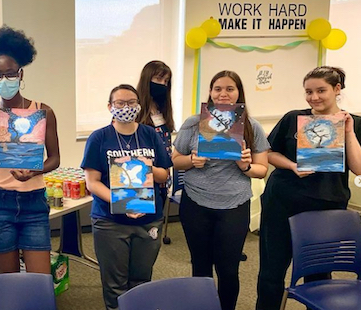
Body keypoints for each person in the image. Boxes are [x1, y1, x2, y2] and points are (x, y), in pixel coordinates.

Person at [256, 66, 361, 310]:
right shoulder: (294, 117)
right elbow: (269, 153)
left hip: (327, 206)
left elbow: (358, 168)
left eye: (320, 91)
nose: (314, 97)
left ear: (337, 90)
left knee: (319, 274)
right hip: (282, 202)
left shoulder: (353, 123)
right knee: (272, 271)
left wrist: (348, 132)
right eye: (308, 92)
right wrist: (292, 165)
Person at [172, 70, 269, 310]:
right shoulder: (194, 123)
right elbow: (175, 159)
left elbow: (262, 169)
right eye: (218, 89)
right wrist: (192, 160)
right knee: (200, 267)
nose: (223, 94)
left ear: (239, 93)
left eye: (229, 89)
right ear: (211, 93)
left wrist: (245, 165)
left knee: (228, 269)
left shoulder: (251, 126)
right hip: (196, 203)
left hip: (233, 205)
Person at [0, 26, 60, 274]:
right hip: (0, 203)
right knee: (9, 279)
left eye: (10, 74)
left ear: (20, 74)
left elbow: (54, 158)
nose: (4, 80)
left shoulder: (42, 111)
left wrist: (34, 171)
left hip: (34, 202)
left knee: (39, 279)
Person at [81, 84, 171, 310]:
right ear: (110, 107)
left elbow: (164, 174)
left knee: (141, 280)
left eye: (131, 102)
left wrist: (147, 167)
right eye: (120, 103)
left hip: (149, 218)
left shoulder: (150, 134)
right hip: (110, 221)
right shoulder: (99, 138)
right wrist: (121, 201)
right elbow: (92, 182)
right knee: (114, 285)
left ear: (138, 105)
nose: (126, 107)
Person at [135, 60, 175, 155]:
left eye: (166, 81)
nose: (162, 84)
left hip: (164, 166)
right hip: (143, 166)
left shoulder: (162, 109)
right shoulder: (133, 110)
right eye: (158, 79)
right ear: (147, 80)